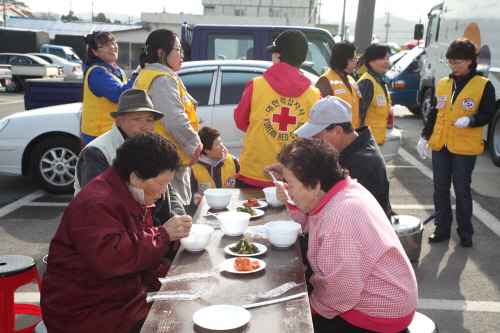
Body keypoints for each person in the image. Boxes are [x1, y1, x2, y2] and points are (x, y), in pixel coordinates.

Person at [41, 131, 193, 333]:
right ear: (135, 176)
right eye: (161, 183)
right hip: (84, 310)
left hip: (122, 297)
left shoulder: (133, 195)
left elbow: (144, 263)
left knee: (188, 311)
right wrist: (163, 235)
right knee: (174, 326)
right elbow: (110, 260)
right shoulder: (96, 203)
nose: (163, 191)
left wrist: (179, 279)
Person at [275, 138, 418, 333]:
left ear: (315, 185)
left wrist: (306, 310)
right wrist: (292, 201)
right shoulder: (343, 189)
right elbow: (312, 223)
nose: (287, 189)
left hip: (377, 314)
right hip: (374, 296)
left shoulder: (340, 220)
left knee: (286, 322)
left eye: (290, 184)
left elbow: (340, 293)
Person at [416, 38, 495, 247]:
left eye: (457, 62)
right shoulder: (444, 83)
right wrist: (425, 136)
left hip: (464, 147)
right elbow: (435, 112)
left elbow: (488, 113)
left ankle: (465, 232)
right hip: (441, 144)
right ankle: (441, 229)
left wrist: (471, 120)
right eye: (450, 62)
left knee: (462, 189)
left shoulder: (483, 85)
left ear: (469, 61)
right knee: (440, 188)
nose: (452, 66)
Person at [74, 89, 186, 229]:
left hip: (151, 231)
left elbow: (169, 191)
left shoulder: (153, 146)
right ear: (119, 121)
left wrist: (177, 218)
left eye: (149, 120)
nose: (144, 125)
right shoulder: (97, 152)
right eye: (137, 118)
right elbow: (98, 205)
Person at [270, 96, 391, 219]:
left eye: (316, 136)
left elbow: (339, 211)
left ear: (338, 131)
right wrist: (293, 172)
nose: (313, 142)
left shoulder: (362, 165)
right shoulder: (346, 148)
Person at [233, 29, 321, 188]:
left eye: (273, 53)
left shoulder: (256, 86)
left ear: (278, 55)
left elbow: (241, 121)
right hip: (295, 178)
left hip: (255, 171)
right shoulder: (314, 95)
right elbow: (317, 136)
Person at [134, 29, 202, 205]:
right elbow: (174, 118)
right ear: (161, 53)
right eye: (178, 50)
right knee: (174, 211)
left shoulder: (148, 75)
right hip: (166, 158)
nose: (182, 55)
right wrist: (194, 146)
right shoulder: (162, 79)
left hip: (156, 155)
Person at [81, 31, 140, 144]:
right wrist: (137, 74)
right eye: (106, 45)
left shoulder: (115, 70)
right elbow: (120, 95)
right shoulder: (97, 71)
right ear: (95, 51)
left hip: (110, 131)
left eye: (113, 42)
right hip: (99, 134)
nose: (112, 47)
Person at [315, 41, 362, 128]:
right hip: (336, 138)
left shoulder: (351, 80)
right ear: (348, 59)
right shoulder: (326, 80)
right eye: (355, 57)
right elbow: (320, 115)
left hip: (352, 136)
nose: (357, 60)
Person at [190, 126, 239, 205]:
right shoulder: (193, 166)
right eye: (217, 144)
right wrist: (197, 199)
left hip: (231, 205)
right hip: (205, 210)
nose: (222, 147)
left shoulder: (233, 161)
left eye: (221, 142)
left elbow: (242, 187)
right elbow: (190, 191)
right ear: (207, 150)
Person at [357, 43, 392, 144]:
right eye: (382, 59)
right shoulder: (367, 82)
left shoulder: (380, 81)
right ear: (371, 62)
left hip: (376, 141)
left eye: (387, 58)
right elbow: (360, 114)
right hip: (366, 142)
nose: (386, 62)